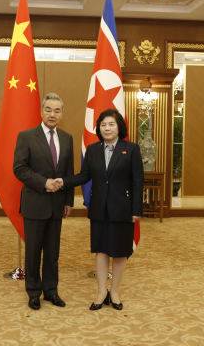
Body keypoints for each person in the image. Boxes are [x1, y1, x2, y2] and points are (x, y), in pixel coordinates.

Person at [55, 108, 143, 311]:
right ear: (99, 128)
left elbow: (138, 181)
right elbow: (84, 175)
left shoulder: (131, 149)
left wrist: (136, 209)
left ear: (119, 127)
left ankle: (115, 292)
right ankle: (102, 292)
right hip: (99, 208)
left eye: (111, 124)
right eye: (103, 125)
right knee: (101, 250)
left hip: (123, 208)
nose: (107, 128)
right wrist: (64, 181)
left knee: (120, 252)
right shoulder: (93, 149)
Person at [13, 93, 75, 310]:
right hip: (34, 203)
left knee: (52, 252)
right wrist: (44, 182)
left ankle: (51, 291)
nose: (52, 114)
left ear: (62, 114)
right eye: (48, 110)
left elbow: (68, 172)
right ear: (41, 112)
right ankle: (33, 292)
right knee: (33, 252)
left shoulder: (67, 138)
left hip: (57, 205)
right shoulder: (26, 136)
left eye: (57, 110)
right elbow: (19, 169)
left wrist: (68, 201)